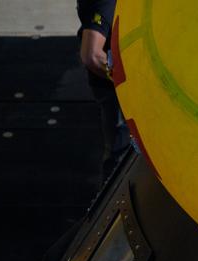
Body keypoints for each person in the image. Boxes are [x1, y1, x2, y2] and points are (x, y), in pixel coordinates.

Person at [76, 0, 131, 178]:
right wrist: (125, 79)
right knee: (120, 153)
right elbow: (91, 55)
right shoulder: (107, 3)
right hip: (115, 91)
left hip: (113, 86)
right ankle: (113, 201)